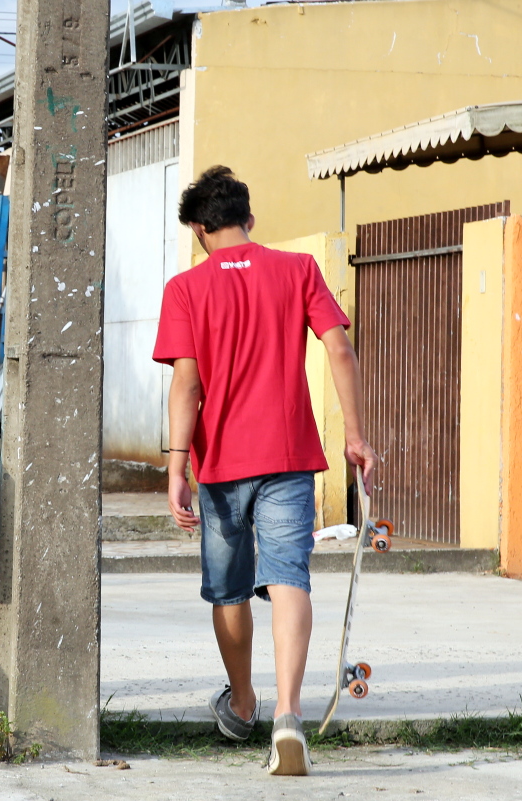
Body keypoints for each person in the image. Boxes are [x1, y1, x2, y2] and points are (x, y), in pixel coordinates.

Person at [153, 166, 378, 776]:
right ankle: (288, 715)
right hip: (289, 456)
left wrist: (177, 466)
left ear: (200, 229)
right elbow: (338, 347)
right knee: (289, 579)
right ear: (249, 220)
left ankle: (244, 702)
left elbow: (187, 383)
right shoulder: (298, 270)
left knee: (229, 588)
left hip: (222, 461)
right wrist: (355, 436)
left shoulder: (185, 288)